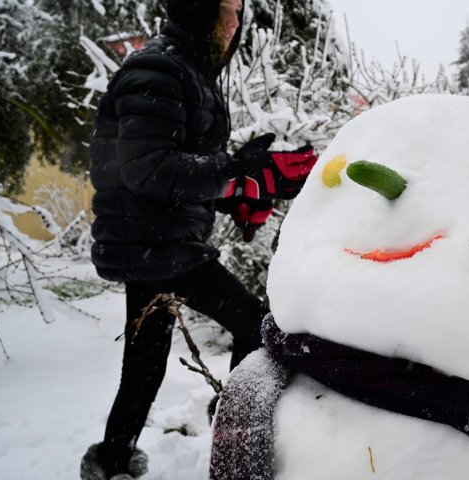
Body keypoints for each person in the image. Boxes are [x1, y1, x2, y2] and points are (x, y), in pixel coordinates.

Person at [80, 0, 316, 478]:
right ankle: (234, 443)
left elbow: (176, 174)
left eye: (238, 12)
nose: (234, 24)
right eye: (225, 10)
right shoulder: (158, 70)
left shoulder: (184, 71)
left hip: (155, 241)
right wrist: (242, 173)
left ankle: (112, 459)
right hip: (160, 245)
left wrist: (241, 192)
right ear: (197, 10)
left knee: (145, 364)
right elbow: (148, 171)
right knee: (254, 323)